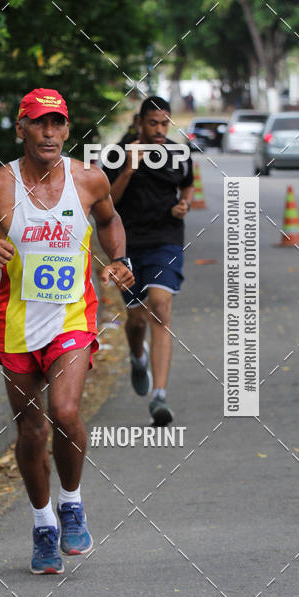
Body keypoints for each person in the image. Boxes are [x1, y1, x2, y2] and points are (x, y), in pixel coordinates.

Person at [0, 87, 134, 574]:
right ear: (22, 128)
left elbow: (111, 222)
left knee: (65, 411)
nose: (49, 133)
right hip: (16, 323)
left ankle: (71, 502)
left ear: (68, 129)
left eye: (58, 124)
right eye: (39, 123)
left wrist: (119, 260)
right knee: (31, 431)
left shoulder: (89, 181)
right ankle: (43, 521)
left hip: (72, 316)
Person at [105, 96, 194, 426]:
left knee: (160, 307)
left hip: (166, 239)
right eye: (153, 123)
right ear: (139, 122)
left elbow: (187, 187)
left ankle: (159, 396)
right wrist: (129, 168)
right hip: (127, 243)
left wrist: (183, 205)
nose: (159, 130)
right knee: (137, 318)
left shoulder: (178, 153)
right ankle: (137, 356)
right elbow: (105, 204)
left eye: (164, 123)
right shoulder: (116, 154)